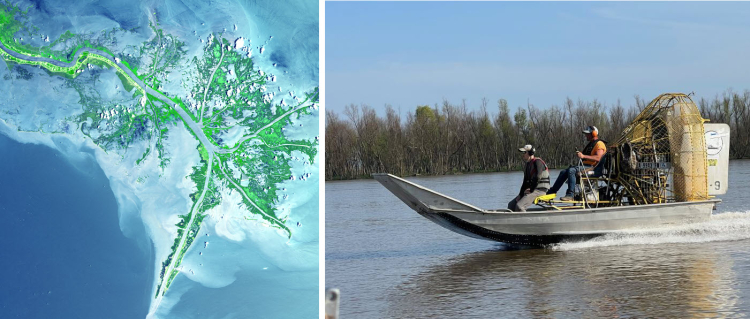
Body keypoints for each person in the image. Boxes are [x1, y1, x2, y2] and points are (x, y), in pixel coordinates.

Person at [547, 126, 607, 201]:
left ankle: (570, 194)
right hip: (585, 166)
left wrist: (583, 156)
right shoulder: (591, 144)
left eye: (587, 134)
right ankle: (551, 193)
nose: (586, 136)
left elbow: (598, 158)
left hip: (593, 168)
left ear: (594, 134)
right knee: (563, 172)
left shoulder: (599, 144)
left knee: (572, 170)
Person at [508, 145, 550, 212]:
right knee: (511, 205)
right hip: (533, 191)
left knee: (519, 206)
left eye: (524, 152)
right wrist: (520, 194)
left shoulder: (538, 162)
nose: (523, 155)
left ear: (530, 153)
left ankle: (524, 221)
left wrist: (531, 190)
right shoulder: (528, 165)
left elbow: (538, 177)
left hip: (540, 191)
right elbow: (525, 182)